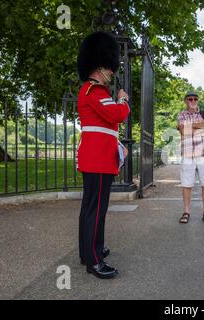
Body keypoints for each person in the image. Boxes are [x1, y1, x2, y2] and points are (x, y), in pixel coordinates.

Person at [76, 31, 130, 279]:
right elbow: (117, 115)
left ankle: (89, 251)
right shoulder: (93, 91)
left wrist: (117, 147)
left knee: (92, 208)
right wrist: (123, 100)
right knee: (95, 209)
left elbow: (106, 129)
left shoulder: (94, 91)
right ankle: (94, 261)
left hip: (101, 157)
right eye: (109, 68)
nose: (112, 72)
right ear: (99, 66)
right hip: (97, 160)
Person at [177, 92, 204, 224]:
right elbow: (183, 131)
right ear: (185, 101)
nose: (193, 101)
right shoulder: (182, 114)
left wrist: (191, 126)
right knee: (186, 184)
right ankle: (186, 211)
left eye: (195, 99)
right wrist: (201, 126)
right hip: (188, 153)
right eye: (190, 99)